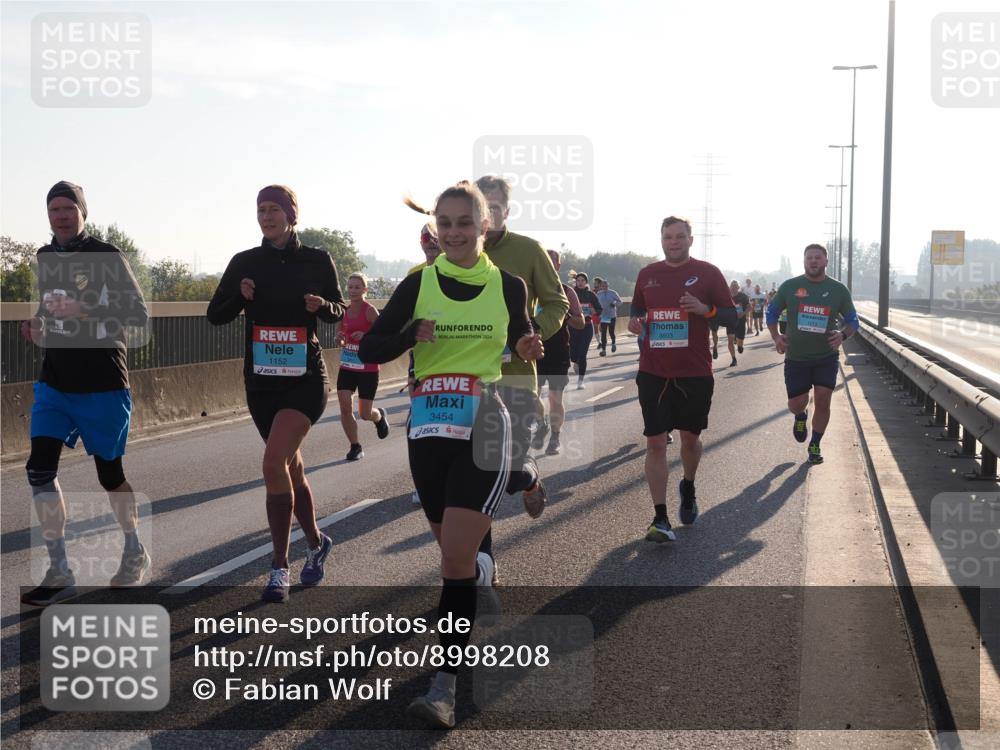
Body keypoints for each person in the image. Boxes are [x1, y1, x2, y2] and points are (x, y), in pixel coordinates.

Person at [358, 181, 542, 729]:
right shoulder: (418, 285)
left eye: (466, 222)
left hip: (487, 416)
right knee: (458, 553)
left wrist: (531, 345)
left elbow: (526, 336)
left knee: (452, 562)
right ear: (435, 228)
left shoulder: (507, 284)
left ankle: (444, 688)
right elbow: (370, 349)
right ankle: (520, 483)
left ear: (484, 227)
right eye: (447, 223)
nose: (456, 232)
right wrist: (411, 333)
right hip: (429, 426)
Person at [208, 185, 346, 602]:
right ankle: (318, 542)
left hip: (305, 379)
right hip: (262, 383)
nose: (266, 216)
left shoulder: (317, 260)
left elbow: (340, 310)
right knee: (291, 468)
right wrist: (240, 296)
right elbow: (215, 315)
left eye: (274, 209)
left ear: (291, 214)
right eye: (261, 210)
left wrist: (320, 305)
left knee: (272, 462)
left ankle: (278, 567)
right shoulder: (245, 262)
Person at [20, 181, 151, 607]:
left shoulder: (106, 256)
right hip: (55, 382)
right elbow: (48, 307)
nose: (60, 215)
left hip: (102, 383)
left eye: (68, 208)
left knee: (109, 475)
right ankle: (59, 571)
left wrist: (84, 311)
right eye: (54, 209)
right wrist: (36, 326)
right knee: (39, 469)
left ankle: (134, 549)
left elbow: (136, 315)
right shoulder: (44, 258)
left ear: (83, 212)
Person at [628, 216, 735, 542]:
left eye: (679, 237)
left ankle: (688, 485)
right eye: (667, 237)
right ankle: (660, 518)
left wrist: (706, 310)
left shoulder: (708, 273)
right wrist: (635, 322)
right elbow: (636, 310)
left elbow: (732, 316)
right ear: (661, 240)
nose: (673, 242)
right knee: (656, 442)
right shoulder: (648, 274)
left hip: (695, 372)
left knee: (690, 439)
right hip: (653, 370)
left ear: (690, 239)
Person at [476, 175, 569, 519]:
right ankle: (481, 562)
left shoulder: (529, 250)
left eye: (495, 207)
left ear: (507, 210)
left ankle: (528, 480)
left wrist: (529, 336)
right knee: (478, 474)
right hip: (468, 377)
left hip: (515, 375)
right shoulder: (456, 251)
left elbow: (557, 302)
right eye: (482, 206)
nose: (488, 214)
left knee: (510, 468)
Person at [767, 243, 859, 464]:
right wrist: (776, 337)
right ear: (804, 261)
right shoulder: (791, 286)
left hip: (825, 357)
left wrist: (843, 335)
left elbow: (853, 320)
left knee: (823, 399)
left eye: (818, 257)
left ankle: (815, 443)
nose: (814, 261)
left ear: (826, 261)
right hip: (796, 357)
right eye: (809, 258)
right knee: (796, 403)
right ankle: (800, 415)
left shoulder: (838, 290)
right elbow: (772, 312)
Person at [532, 250, 586, 455]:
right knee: (530, 396)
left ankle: (555, 437)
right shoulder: (529, 289)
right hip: (533, 350)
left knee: (555, 398)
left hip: (558, 350)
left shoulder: (565, 291)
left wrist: (565, 314)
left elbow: (580, 323)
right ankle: (541, 423)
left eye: (551, 262)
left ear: (558, 266)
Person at [336, 272, 389, 461]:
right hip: (348, 365)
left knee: (365, 414)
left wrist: (365, 336)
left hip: (367, 368)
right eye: (350, 287)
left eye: (357, 287)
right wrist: (340, 338)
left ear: (365, 290)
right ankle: (355, 446)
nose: (353, 290)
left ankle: (379, 417)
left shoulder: (369, 311)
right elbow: (340, 336)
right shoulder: (345, 311)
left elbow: (383, 333)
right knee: (344, 404)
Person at [570, 272, 602, 389]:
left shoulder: (591, 295)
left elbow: (599, 309)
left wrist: (593, 310)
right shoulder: (571, 293)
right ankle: (576, 361)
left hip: (587, 327)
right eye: (578, 280)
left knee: (582, 354)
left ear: (586, 282)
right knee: (573, 355)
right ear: (576, 282)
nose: (580, 282)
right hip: (573, 327)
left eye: (583, 280)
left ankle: (580, 381)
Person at [597, 279, 623, 355]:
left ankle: (613, 343)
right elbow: (596, 303)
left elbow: (620, 302)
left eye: (606, 286)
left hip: (612, 315)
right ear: (601, 286)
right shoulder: (599, 294)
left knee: (611, 331)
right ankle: (604, 350)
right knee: (603, 333)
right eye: (603, 286)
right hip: (604, 316)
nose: (604, 287)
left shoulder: (613, 293)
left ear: (608, 286)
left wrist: (614, 304)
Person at [730, 279, 750, 365]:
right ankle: (733, 359)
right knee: (730, 340)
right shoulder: (727, 296)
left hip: (741, 320)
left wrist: (743, 313)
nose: (734, 288)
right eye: (732, 286)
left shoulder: (743, 296)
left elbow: (749, 307)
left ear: (738, 287)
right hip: (730, 321)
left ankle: (739, 345)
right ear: (730, 287)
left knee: (740, 340)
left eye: (735, 286)